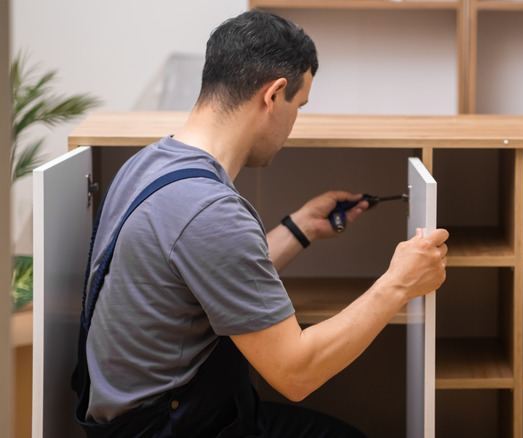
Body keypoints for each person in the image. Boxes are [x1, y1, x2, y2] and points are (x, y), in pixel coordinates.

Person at [72, 8, 448, 438]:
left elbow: (213, 272)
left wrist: (300, 227)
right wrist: (398, 283)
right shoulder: (210, 210)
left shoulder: (151, 163)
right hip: (173, 428)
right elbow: (296, 373)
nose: (295, 122)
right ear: (273, 96)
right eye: (299, 106)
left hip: (140, 419)